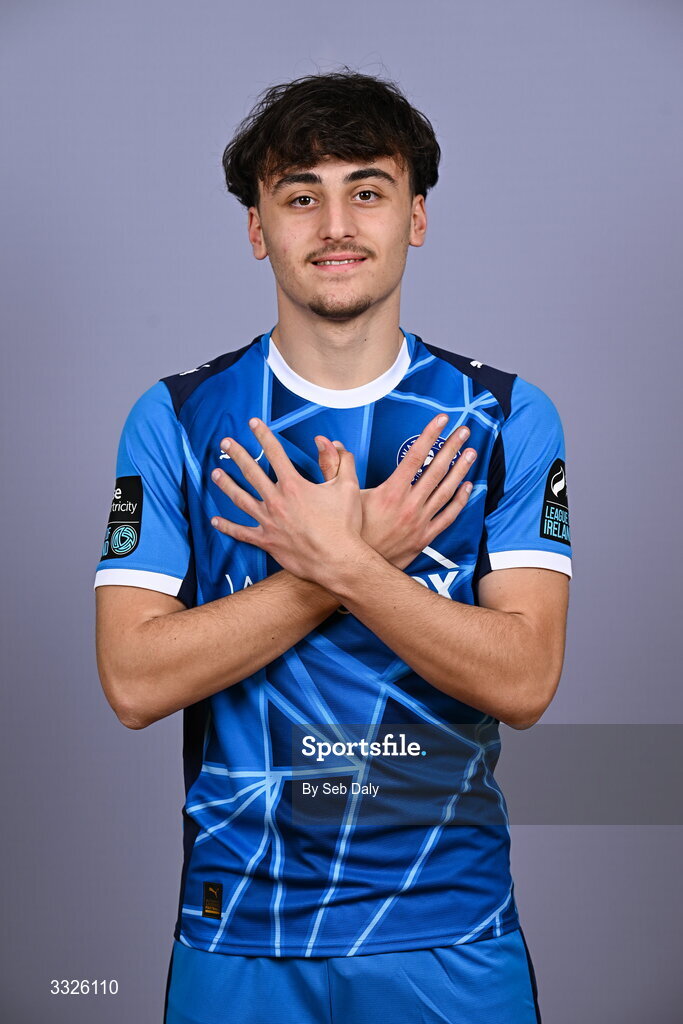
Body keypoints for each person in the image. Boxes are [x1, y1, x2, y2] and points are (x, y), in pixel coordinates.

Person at [95, 70, 571, 1024]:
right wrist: (350, 563)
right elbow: (135, 682)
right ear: (256, 228)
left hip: (449, 927)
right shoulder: (179, 419)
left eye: (367, 190)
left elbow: (523, 683)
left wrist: (348, 563)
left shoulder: (504, 417)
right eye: (299, 196)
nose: (335, 224)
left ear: (416, 218)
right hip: (241, 927)